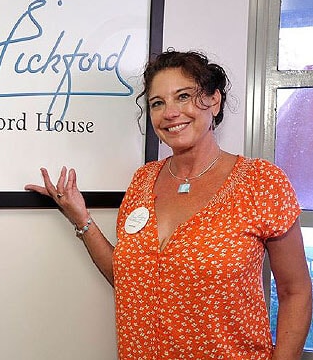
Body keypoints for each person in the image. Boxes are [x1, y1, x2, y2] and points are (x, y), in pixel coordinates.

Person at [25, 50, 312, 359]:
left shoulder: (260, 182)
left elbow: (295, 291)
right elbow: (129, 281)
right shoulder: (143, 181)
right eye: (157, 103)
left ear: (214, 100)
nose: (170, 113)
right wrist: (81, 219)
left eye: (183, 96)